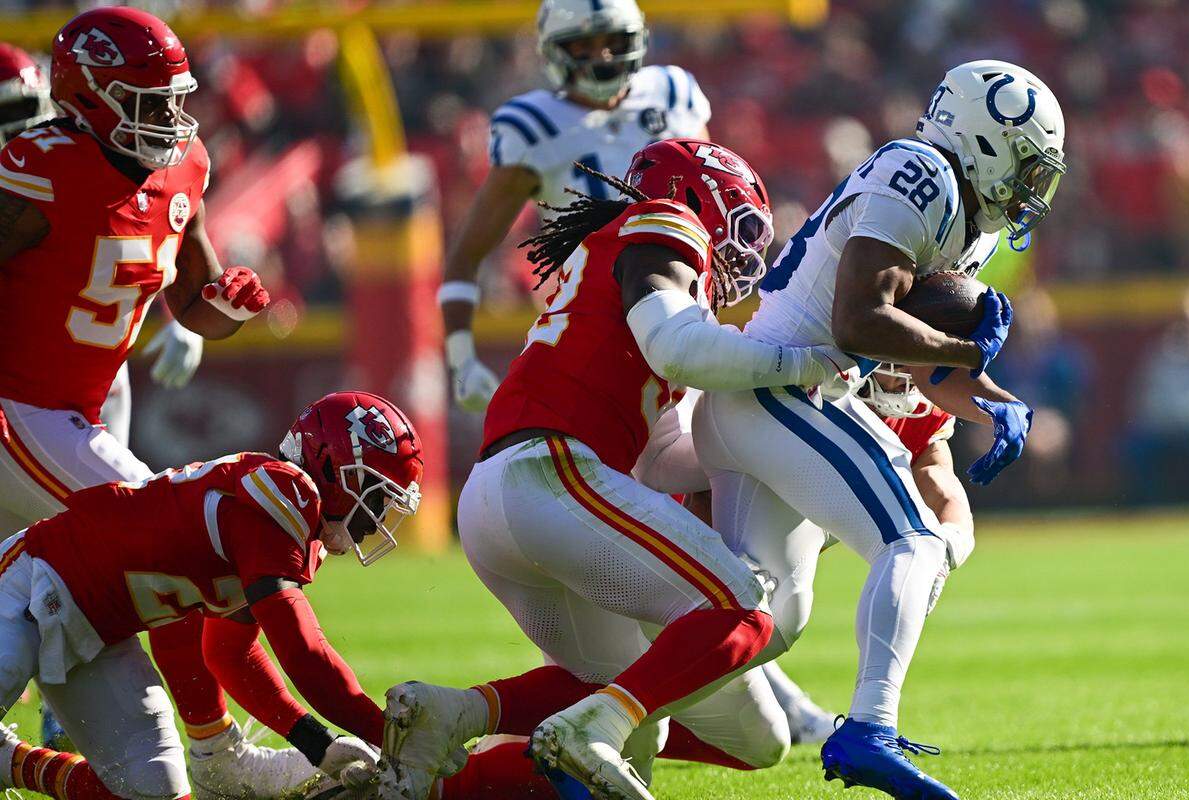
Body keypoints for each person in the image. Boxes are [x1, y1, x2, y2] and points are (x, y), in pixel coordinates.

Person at [379, 139, 843, 800]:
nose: (745, 252)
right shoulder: (664, 228)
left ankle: (444, 737)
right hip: (551, 474)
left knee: (696, 721)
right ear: (689, 197)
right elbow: (678, 348)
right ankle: (592, 726)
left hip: (510, 495)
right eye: (740, 225)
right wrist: (803, 363)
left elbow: (662, 461)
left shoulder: (620, 273)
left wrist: (779, 474)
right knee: (740, 604)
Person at [691, 60, 1059, 800]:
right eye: (1022, 163)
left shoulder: (965, 216)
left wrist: (990, 396)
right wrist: (964, 348)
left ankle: (598, 717)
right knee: (915, 539)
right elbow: (857, 321)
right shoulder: (917, 172)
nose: (1027, 188)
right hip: (780, 384)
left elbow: (912, 355)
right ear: (982, 136)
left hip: (773, 395)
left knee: (765, 620)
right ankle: (869, 731)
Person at [0, 8, 307, 797]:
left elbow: (195, 297)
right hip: (18, 407)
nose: (169, 117)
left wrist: (226, 308)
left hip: (75, 417)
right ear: (90, 98)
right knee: (175, 535)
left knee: (145, 774)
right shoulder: (43, 165)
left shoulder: (187, 166)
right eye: (147, 99)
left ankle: (41, 758)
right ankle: (221, 752)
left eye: (174, 98)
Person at [0, 391, 423, 800]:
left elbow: (229, 654)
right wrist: (391, 736)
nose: (378, 517)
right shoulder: (283, 493)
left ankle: (11, 764)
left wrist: (318, 743)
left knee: (151, 787)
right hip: (28, 583)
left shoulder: (294, 529)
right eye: (377, 494)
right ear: (331, 465)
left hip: (98, 638)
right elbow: (304, 652)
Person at [438, 0, 711, 414]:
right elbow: (466, 255)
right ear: (555, 51)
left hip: (689, 303)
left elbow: (721, 201)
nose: (602, 56)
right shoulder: (533, 125)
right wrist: (461, 359)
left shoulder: (673, 94)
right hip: (600, 323)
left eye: (613, 41)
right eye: (584, 45)